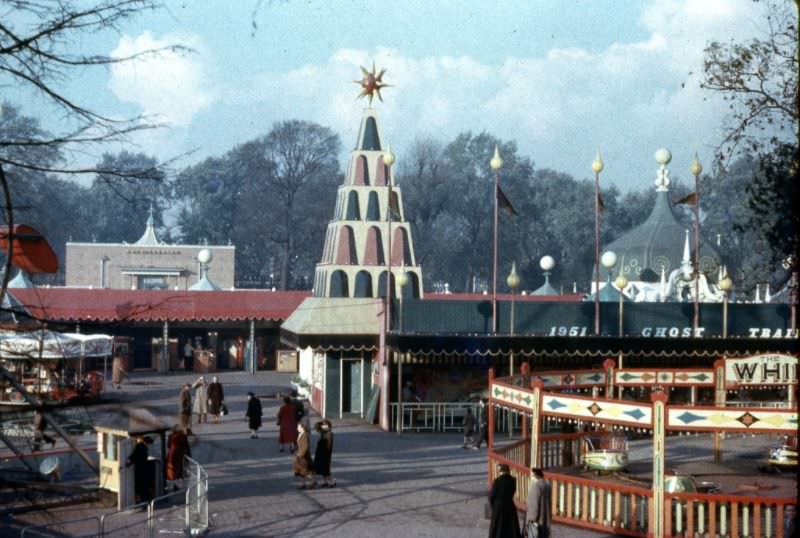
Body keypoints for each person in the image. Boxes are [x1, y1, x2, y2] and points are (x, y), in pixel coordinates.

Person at [489, 464, 520, 538]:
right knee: (511, 527)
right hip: (509, 505)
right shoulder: (513, 480)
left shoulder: (497, 481)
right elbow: (513, 491)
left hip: (499, 507)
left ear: (501, 471)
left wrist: (493, 505)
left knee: (497, 527)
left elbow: (492, 495)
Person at [525, 468, 552, 538]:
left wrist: (532, 519)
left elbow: (534, 505)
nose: (531, 477)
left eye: (532, 476)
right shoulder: (547, 484)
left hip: (537, 520)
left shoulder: (535, 486)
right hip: (545, 517)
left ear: (535, 475)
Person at [126, 436, 153, 504]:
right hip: (141, 468)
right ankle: (146, 500)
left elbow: (134, 455)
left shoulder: (140, 446)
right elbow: (135, 455)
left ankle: (144, 500)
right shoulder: (141, 447)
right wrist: (130, 462)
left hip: (140, 468)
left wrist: (129, 462)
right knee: (143, 485)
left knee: (141, 486)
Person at [166, 425, 191, 491]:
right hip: (180, 454)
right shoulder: (183, 436)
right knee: (179, 469)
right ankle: (177, 485)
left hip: (172, 454)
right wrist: (188, 455)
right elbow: (186, 446)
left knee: (172, 469)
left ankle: (174, 484)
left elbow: (168, 446)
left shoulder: (170, 436)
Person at [313, 420, 336, 488]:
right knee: (322, 469)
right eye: (323, 425)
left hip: (325, 454)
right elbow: (316, 426)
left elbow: (329, 446)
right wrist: (320, 423)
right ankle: (325, 482)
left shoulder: (329, 434)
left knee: (326, 469)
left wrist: (326, 454)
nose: (324, 426)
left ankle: (332, 481)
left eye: (326, 425)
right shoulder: (322, 433)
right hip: (320, 453)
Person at [293, 422, 315, 489]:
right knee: (301, 471)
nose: (297, 428)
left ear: (302, 428)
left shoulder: (305, 435)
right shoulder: (300, 434)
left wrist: (301, 454)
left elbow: (305, 446)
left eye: (298, 427)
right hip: (300, 455)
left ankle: (313, 481)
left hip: (304, 456)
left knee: (305, 471)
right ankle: (303, 484)